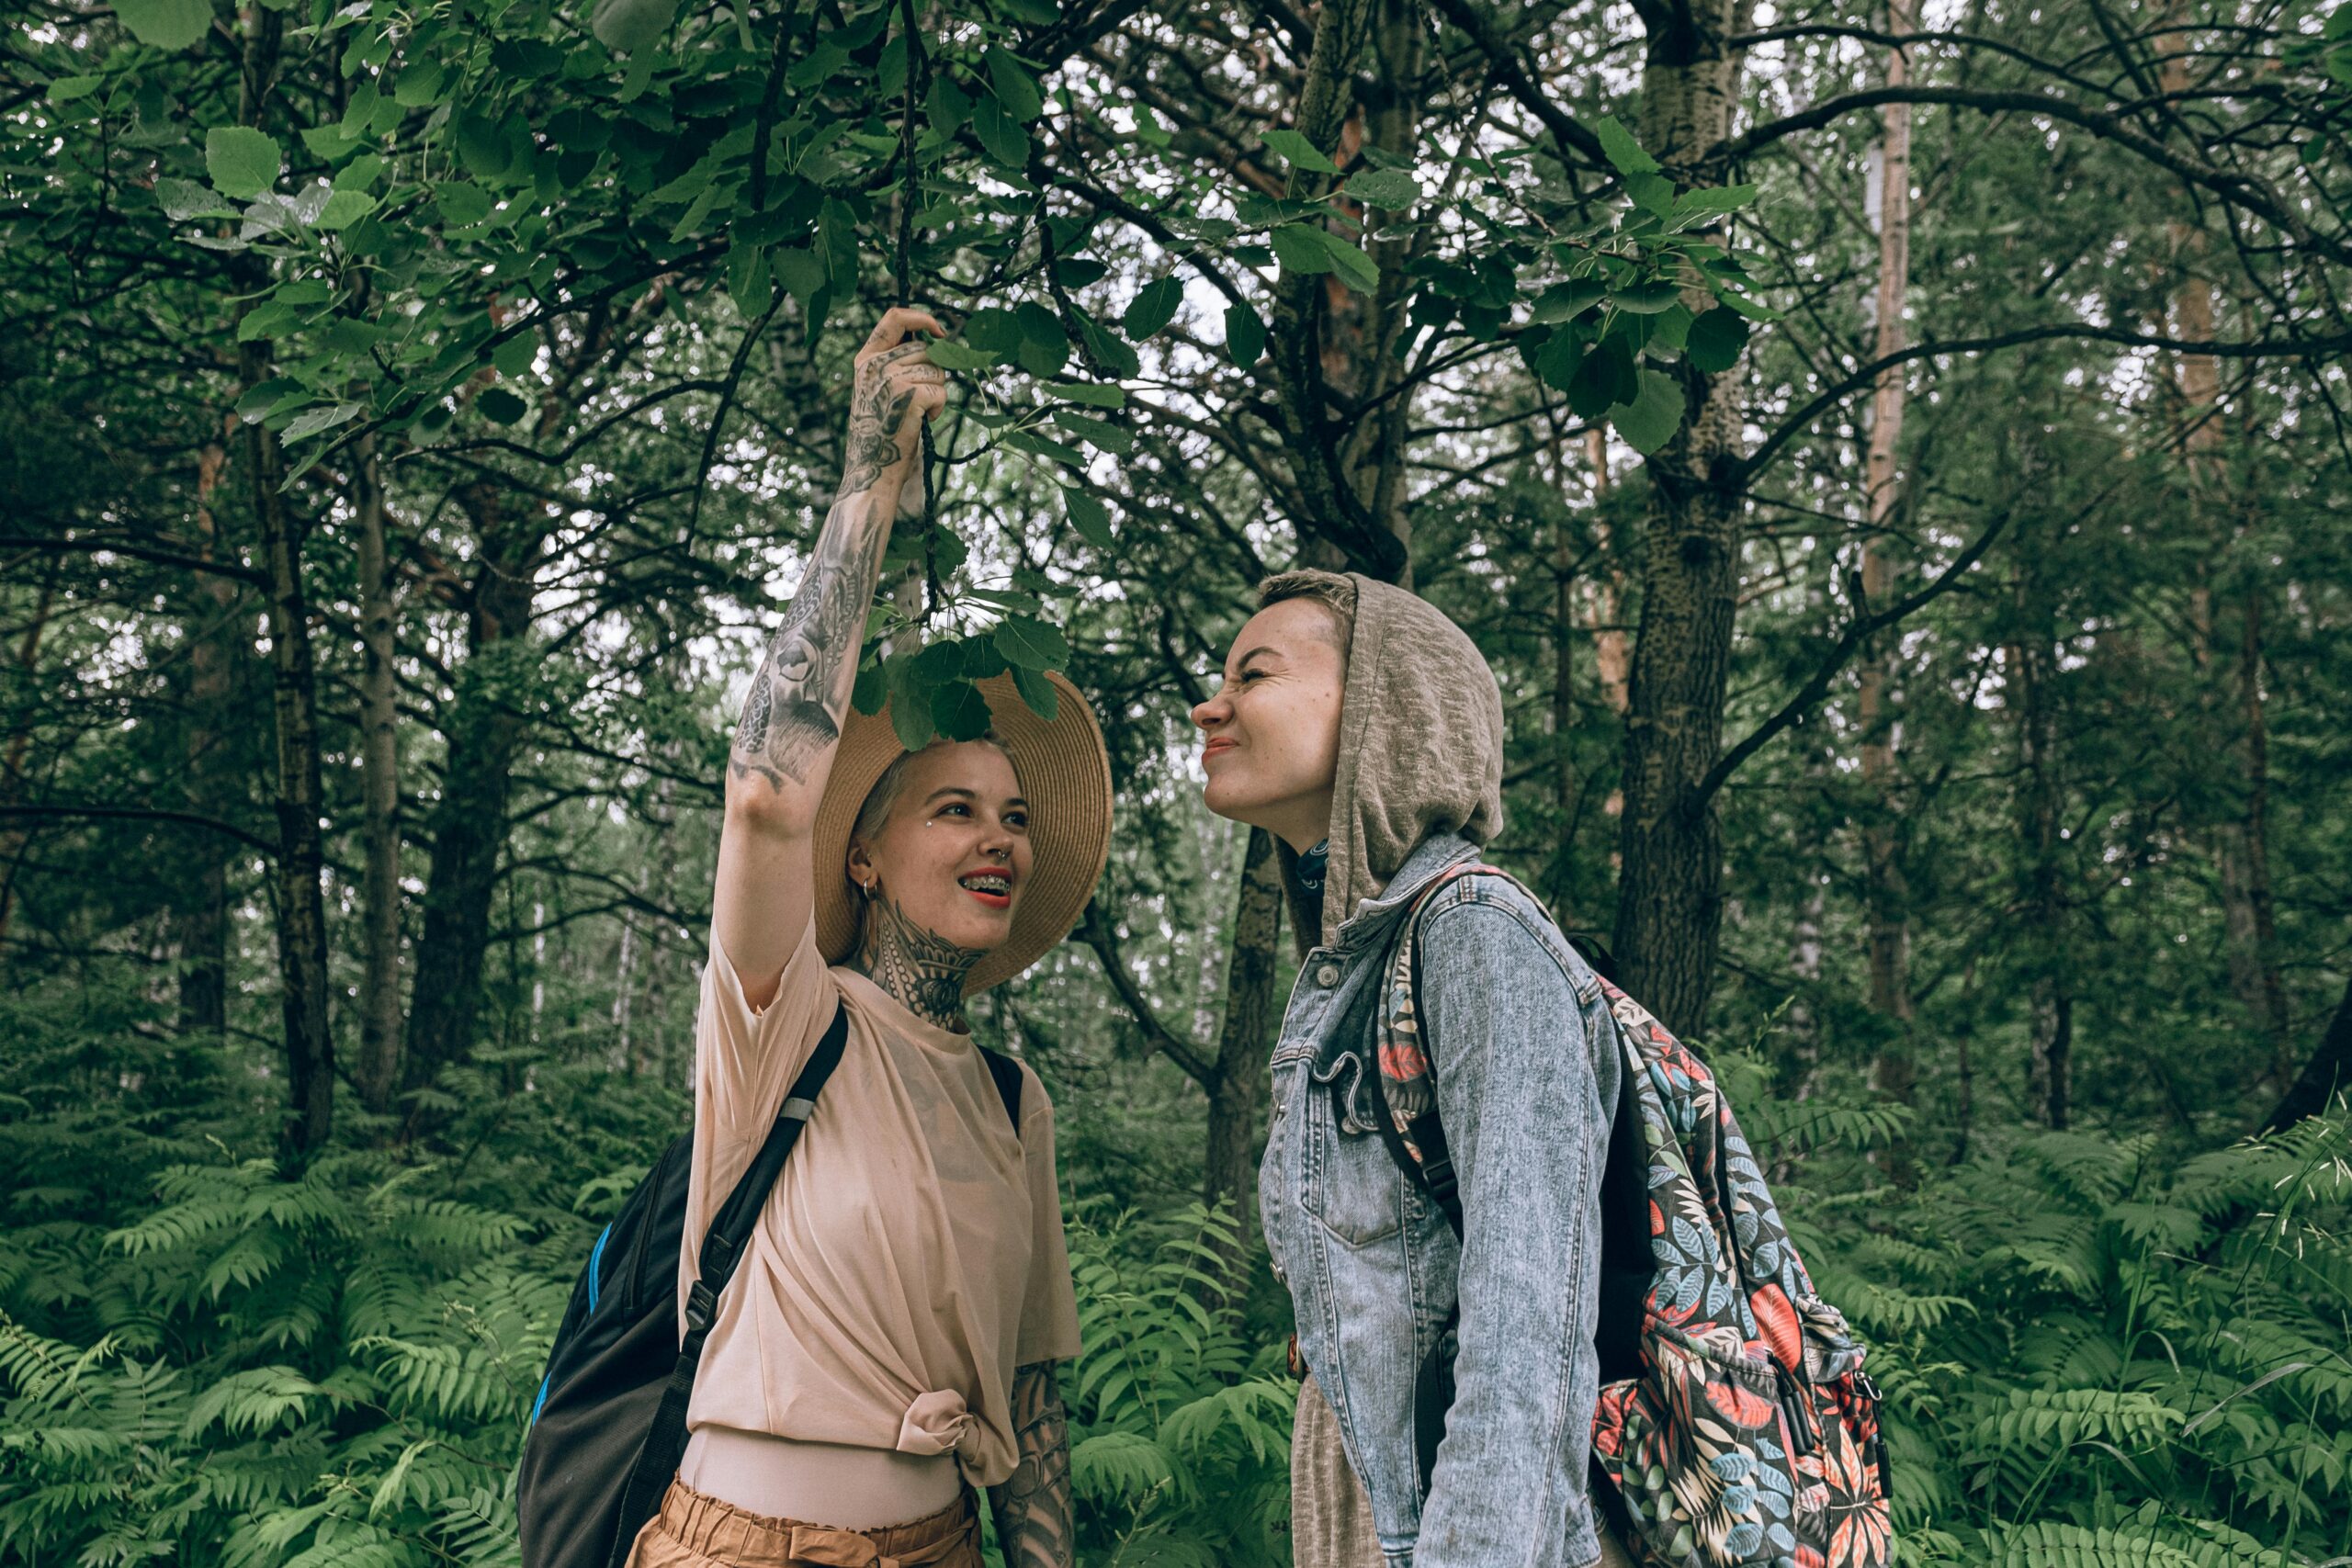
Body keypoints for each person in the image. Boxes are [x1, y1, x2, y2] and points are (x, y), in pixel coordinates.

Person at [625, 308, 1113, 1568]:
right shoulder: (791, 1020)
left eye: (1014, 816)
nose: (998, 838)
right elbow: (768, 784)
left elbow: (1035, 1388)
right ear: (864, 855)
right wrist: (866, 489)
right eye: (954, 809)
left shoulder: (1014, 1097)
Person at [1192, 569, 1634, 1568]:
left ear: (1382, 708)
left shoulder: (1475, 933)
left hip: (1468, 1520)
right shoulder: (1363, 962)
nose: (1208, 703)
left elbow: (1529, 1323)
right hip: (1376, 1489)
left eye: (1252, 675)